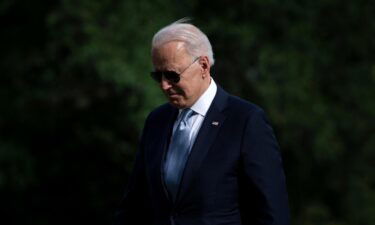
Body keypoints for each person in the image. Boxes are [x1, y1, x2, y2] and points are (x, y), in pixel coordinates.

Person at [114, 19, 290, 225]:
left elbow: (271, 212)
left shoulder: (245, 121)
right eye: (157, 75)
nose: (164, 85)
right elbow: (135, 204)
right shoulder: (156, 121)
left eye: (172, 75)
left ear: (204, 66)